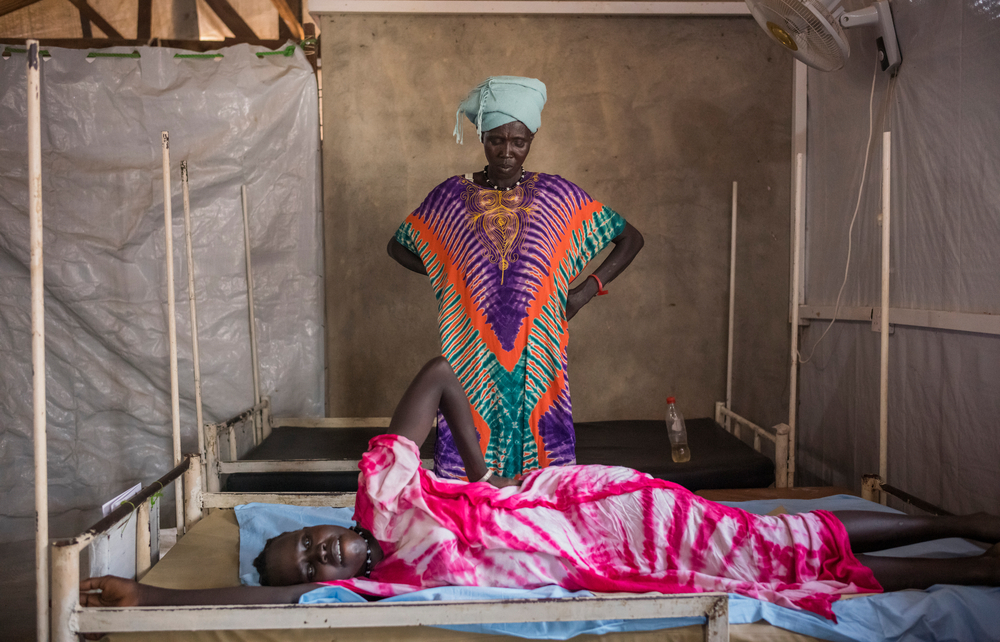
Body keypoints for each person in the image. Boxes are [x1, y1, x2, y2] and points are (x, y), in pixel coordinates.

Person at [82, 358, 1000, 621]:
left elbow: (441, 374)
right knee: (792, 563)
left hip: (607, 510)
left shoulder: (390, 493)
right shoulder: (371, 586)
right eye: (311, 559)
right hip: (606, 560)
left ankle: (958, 523)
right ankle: (979, 561)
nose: (322, 548)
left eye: (313, 538)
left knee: (787, 546)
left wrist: (489, 481)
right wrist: (148, 593)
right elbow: (255, 596)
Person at [388, 75, 644, 482]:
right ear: (482, 137)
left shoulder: (557, 194)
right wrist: (450, 275)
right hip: (471, 349)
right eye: (496, 140)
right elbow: (399, 245)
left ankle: (534, 532)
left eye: (518, 142)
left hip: (538, 349)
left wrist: (582, 293)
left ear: (532, 140)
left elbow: (630, 238)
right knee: (469, 447)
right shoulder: (451, 196)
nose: (507, 151)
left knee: (542, 475)